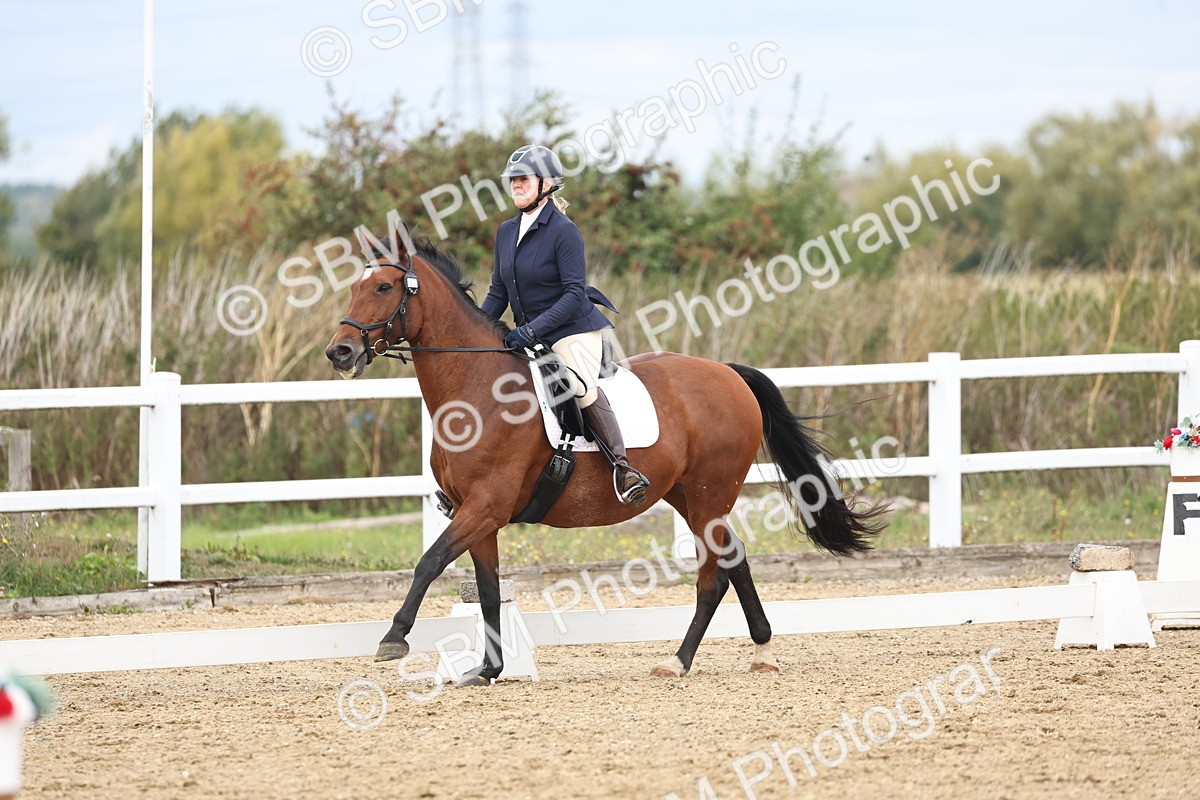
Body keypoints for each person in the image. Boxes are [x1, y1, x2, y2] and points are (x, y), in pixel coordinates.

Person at [481, 144, 651, 506]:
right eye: (512, 180)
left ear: (546, 184)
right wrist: (479, 328)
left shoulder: (563, 231)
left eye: (523, 179)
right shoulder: (506, 231)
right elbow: (498, 292)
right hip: (527, 332)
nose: (516, 185)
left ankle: (623, 468)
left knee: (575, 384)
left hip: (571, 330)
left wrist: (533, 330)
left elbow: (574, 294)